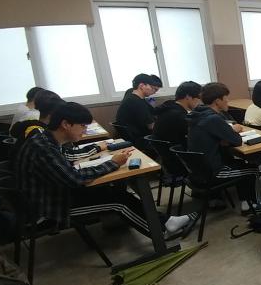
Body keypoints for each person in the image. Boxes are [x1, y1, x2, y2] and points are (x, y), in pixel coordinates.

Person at [14, 102, 196, 239]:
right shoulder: (43, 147)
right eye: (82, 126)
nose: (85, 131)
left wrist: (103, 155)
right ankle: (160, 234)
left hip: (59, 194)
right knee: (118, 202)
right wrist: (113, 163)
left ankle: (166, 222)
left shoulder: (48, 139)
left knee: (116, 192)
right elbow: (75, 178)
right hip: (53, 207)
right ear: (66, 124)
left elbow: (68, 157)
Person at [187, 82, 261, 214]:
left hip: (198, 171)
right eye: (226, 97)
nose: (228, 100)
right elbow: (237, 141)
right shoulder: (213, 119)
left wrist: (223, 138)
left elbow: (220, 139)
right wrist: (231, 132)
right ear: (217, 101)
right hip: (213, 172)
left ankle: (242, 201)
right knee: (253, 169)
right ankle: (250, 206)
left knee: (241, 163)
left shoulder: (197, 114)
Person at [115, 73, 160, 147]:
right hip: (139, 139)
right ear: (141, 86)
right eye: (152, 88)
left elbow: (152, 110)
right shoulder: (136, 102)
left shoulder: (131, 94)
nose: (154, 92)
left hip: (131, 135)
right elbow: (151, 126)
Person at [153, 81, 202, 147]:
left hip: (163, 149)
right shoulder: (178, 115)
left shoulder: (169, 107)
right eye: (199, 98)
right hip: (175, 149)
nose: (200, 102)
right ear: (188, 97)